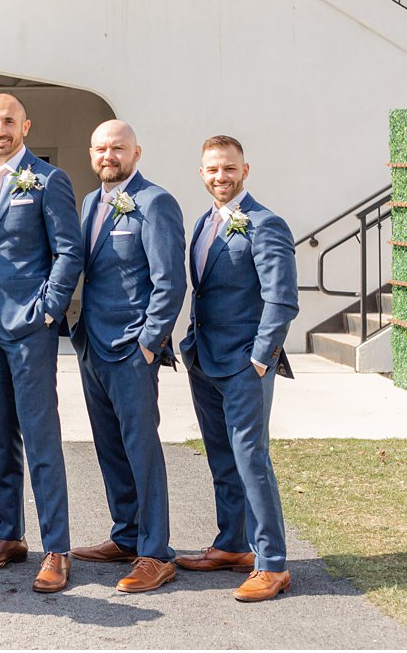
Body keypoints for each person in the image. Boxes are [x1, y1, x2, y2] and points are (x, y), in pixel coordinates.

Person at [0, 93, 82, 593]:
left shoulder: (49, 180)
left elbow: (69, 251)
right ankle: (10, 536)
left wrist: (48, 308)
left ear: (25, 127)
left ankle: (57, 549)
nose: (0, 129)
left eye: (9, 121)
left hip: (30, 327)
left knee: (40, 435)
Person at [177, 135, 299, 603]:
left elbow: (282, 298)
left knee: (251, 458)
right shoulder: (202, 223)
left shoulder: (266, 224)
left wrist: (260, 357)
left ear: (245, 170)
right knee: (221, 457)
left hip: (245, 363)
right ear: (202, 172)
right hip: (205, 359)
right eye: (212, 170)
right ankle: (232, 544)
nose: (220, 177)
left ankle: (272, 563)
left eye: (228, 169)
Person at [68, 120, 186, 594]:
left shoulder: (156, 203)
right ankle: (126, 534)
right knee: (109, 446)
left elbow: (170, 281)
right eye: (100, 148)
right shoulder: (90, 202)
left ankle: (156, 553)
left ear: (136, 152)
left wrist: (149, 341)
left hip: (133, 348)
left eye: (118, 147)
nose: (108, 155)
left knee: (141, 448)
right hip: (92, 344)